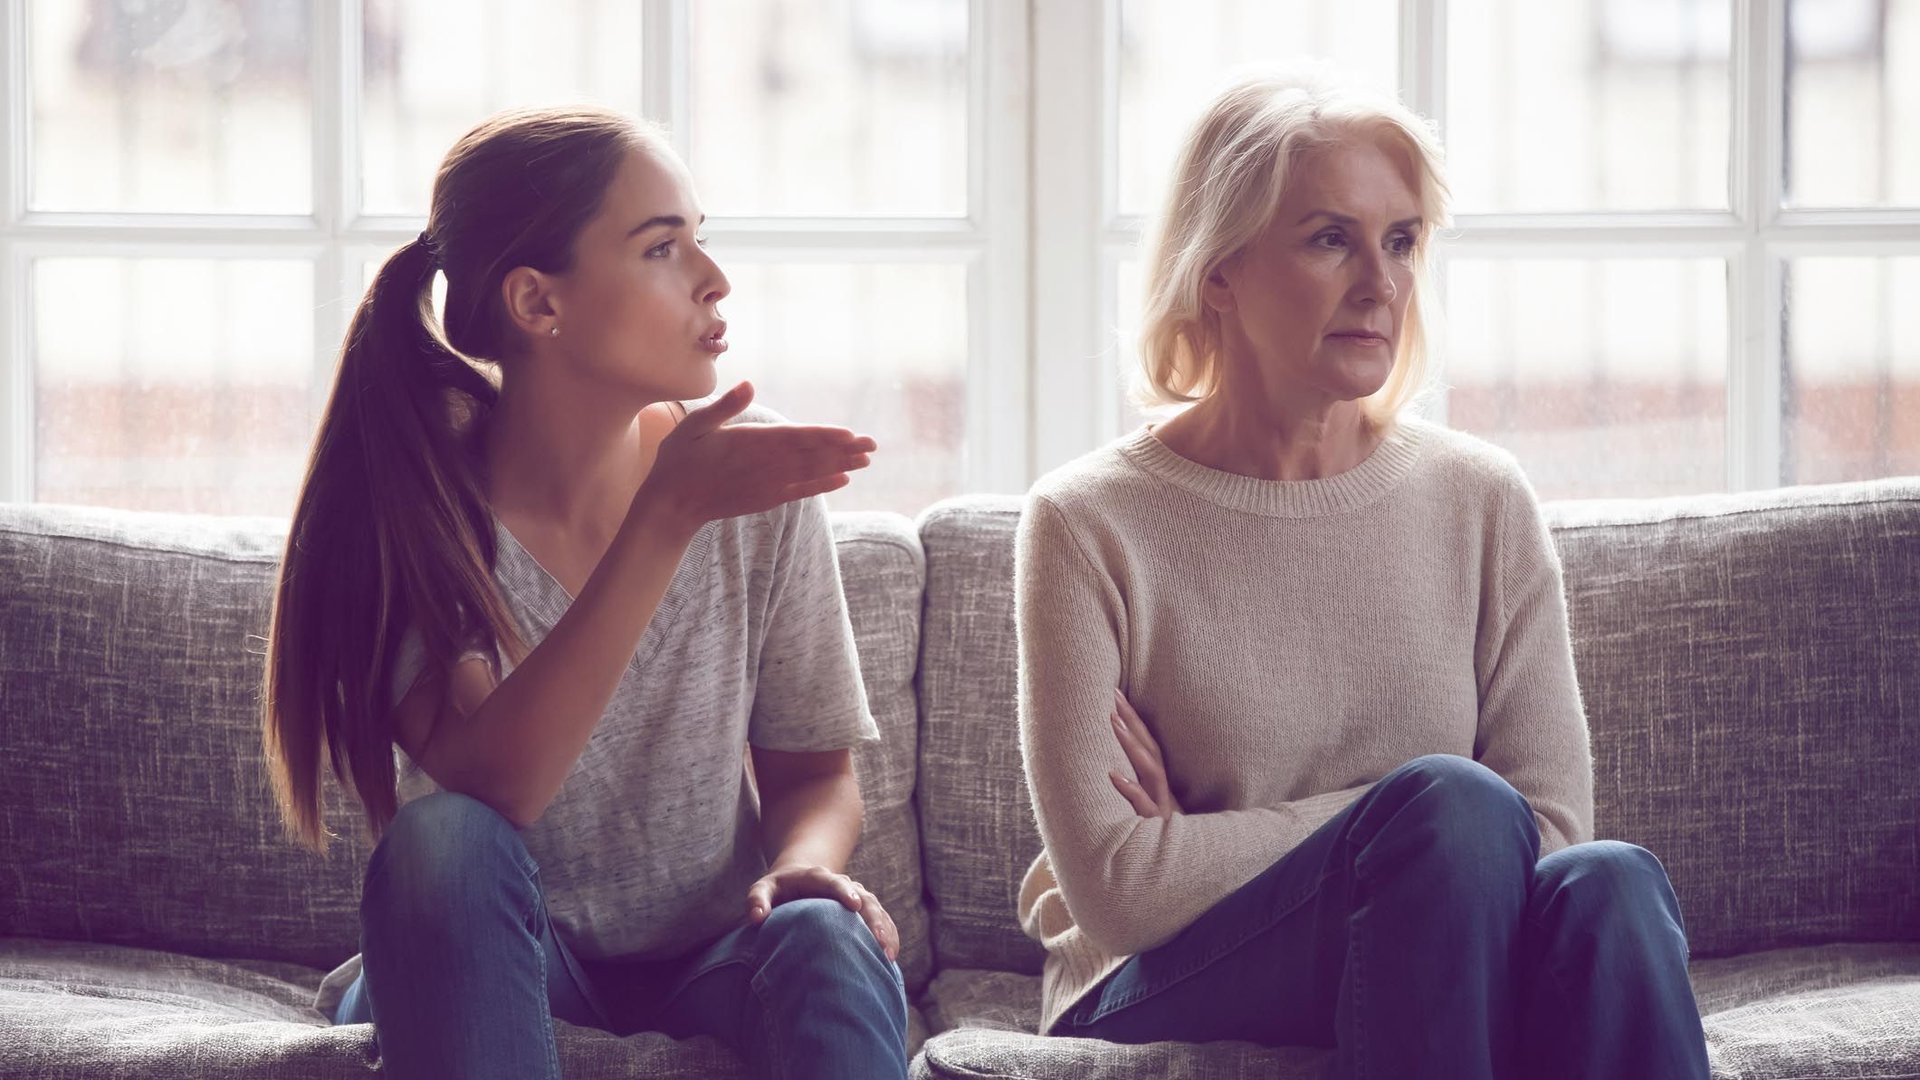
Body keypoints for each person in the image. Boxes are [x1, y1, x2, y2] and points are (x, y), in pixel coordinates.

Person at [1014, 66, 1711, 1079]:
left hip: (1435, 959)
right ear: (1219, 269)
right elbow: (1120, 889)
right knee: (1456, 811)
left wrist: (1247, 840)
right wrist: (1404, 825)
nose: (1380, 285)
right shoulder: (1087, 523)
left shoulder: (1481, 499)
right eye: (1330, 238)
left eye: (1400, 241)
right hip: (1157, 983)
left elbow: (1552, 834)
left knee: (1610, 888)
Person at [259, 106, 908, 1080]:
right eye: (661, 247)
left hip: (714, 960)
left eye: (702, 239)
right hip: (494, 955)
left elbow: (814, 775)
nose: (714, 279)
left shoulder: (747, 480)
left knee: (824, 932)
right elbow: (496, 786)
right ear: (537, 303)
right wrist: (666, 518)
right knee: (442, 842)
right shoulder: (413, 510)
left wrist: (799, 867)